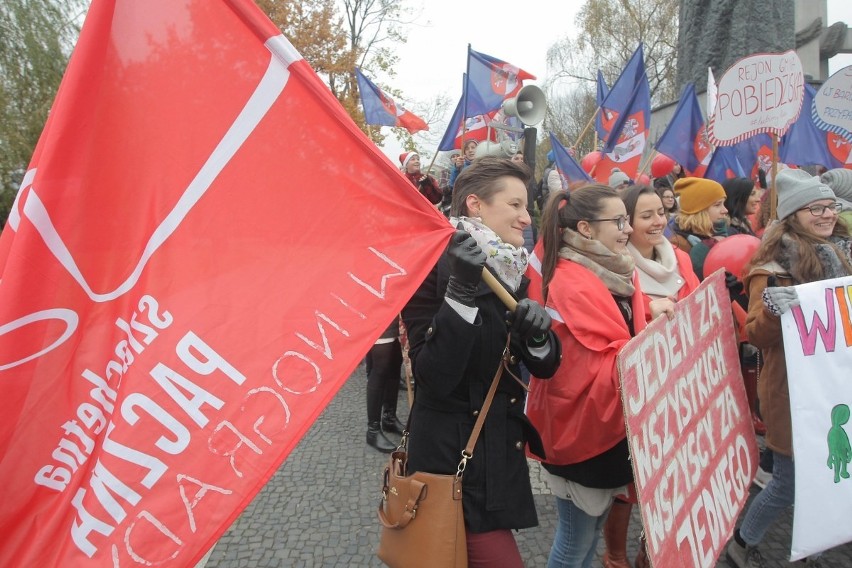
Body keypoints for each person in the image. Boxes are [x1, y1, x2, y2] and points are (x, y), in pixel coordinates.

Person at [401, 156, 561, 567]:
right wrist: (460, 290)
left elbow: (544, 367)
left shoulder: (512, 267)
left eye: (527, 207)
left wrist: (539, 335)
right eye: (515, 205)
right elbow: (433, 377)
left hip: (496, 456)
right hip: (449, 461)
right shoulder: (430, 267)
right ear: (475, 204)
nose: (527, 218)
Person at [525, 184, 674, 568]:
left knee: (589, 539)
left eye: (627, 220)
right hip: (581, 426)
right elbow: (582, 366)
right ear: (586, 229)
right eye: (619, 221)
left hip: (609, 425)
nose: (627, 230)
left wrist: (650, 317)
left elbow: (623, 336)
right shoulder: (570, 282)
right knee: (575, 543)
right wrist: (651, 348)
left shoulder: (614, 269)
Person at [726, 168, 852, 568]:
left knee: (828, 477)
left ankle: (811, 546)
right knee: (788, 483)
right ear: (794, 215)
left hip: (836, 387)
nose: (826, 214)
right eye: (816, 208)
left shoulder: (841, 255)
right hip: (790, 393)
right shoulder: (773, 268)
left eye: (830, 206)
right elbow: (756, 334)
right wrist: (777, 312)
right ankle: (741, 544)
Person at [669, 177, 729, 280]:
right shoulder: (678, 244)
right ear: (699, 210)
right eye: (717, 205)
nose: (725, 210)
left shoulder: (717, 233)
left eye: (723, 204)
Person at [364, 317, 404, 452]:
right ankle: (373, 430)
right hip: (380, 311)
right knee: (380, 367)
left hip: (395, 311)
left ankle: (389, 418)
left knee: (395, 360)